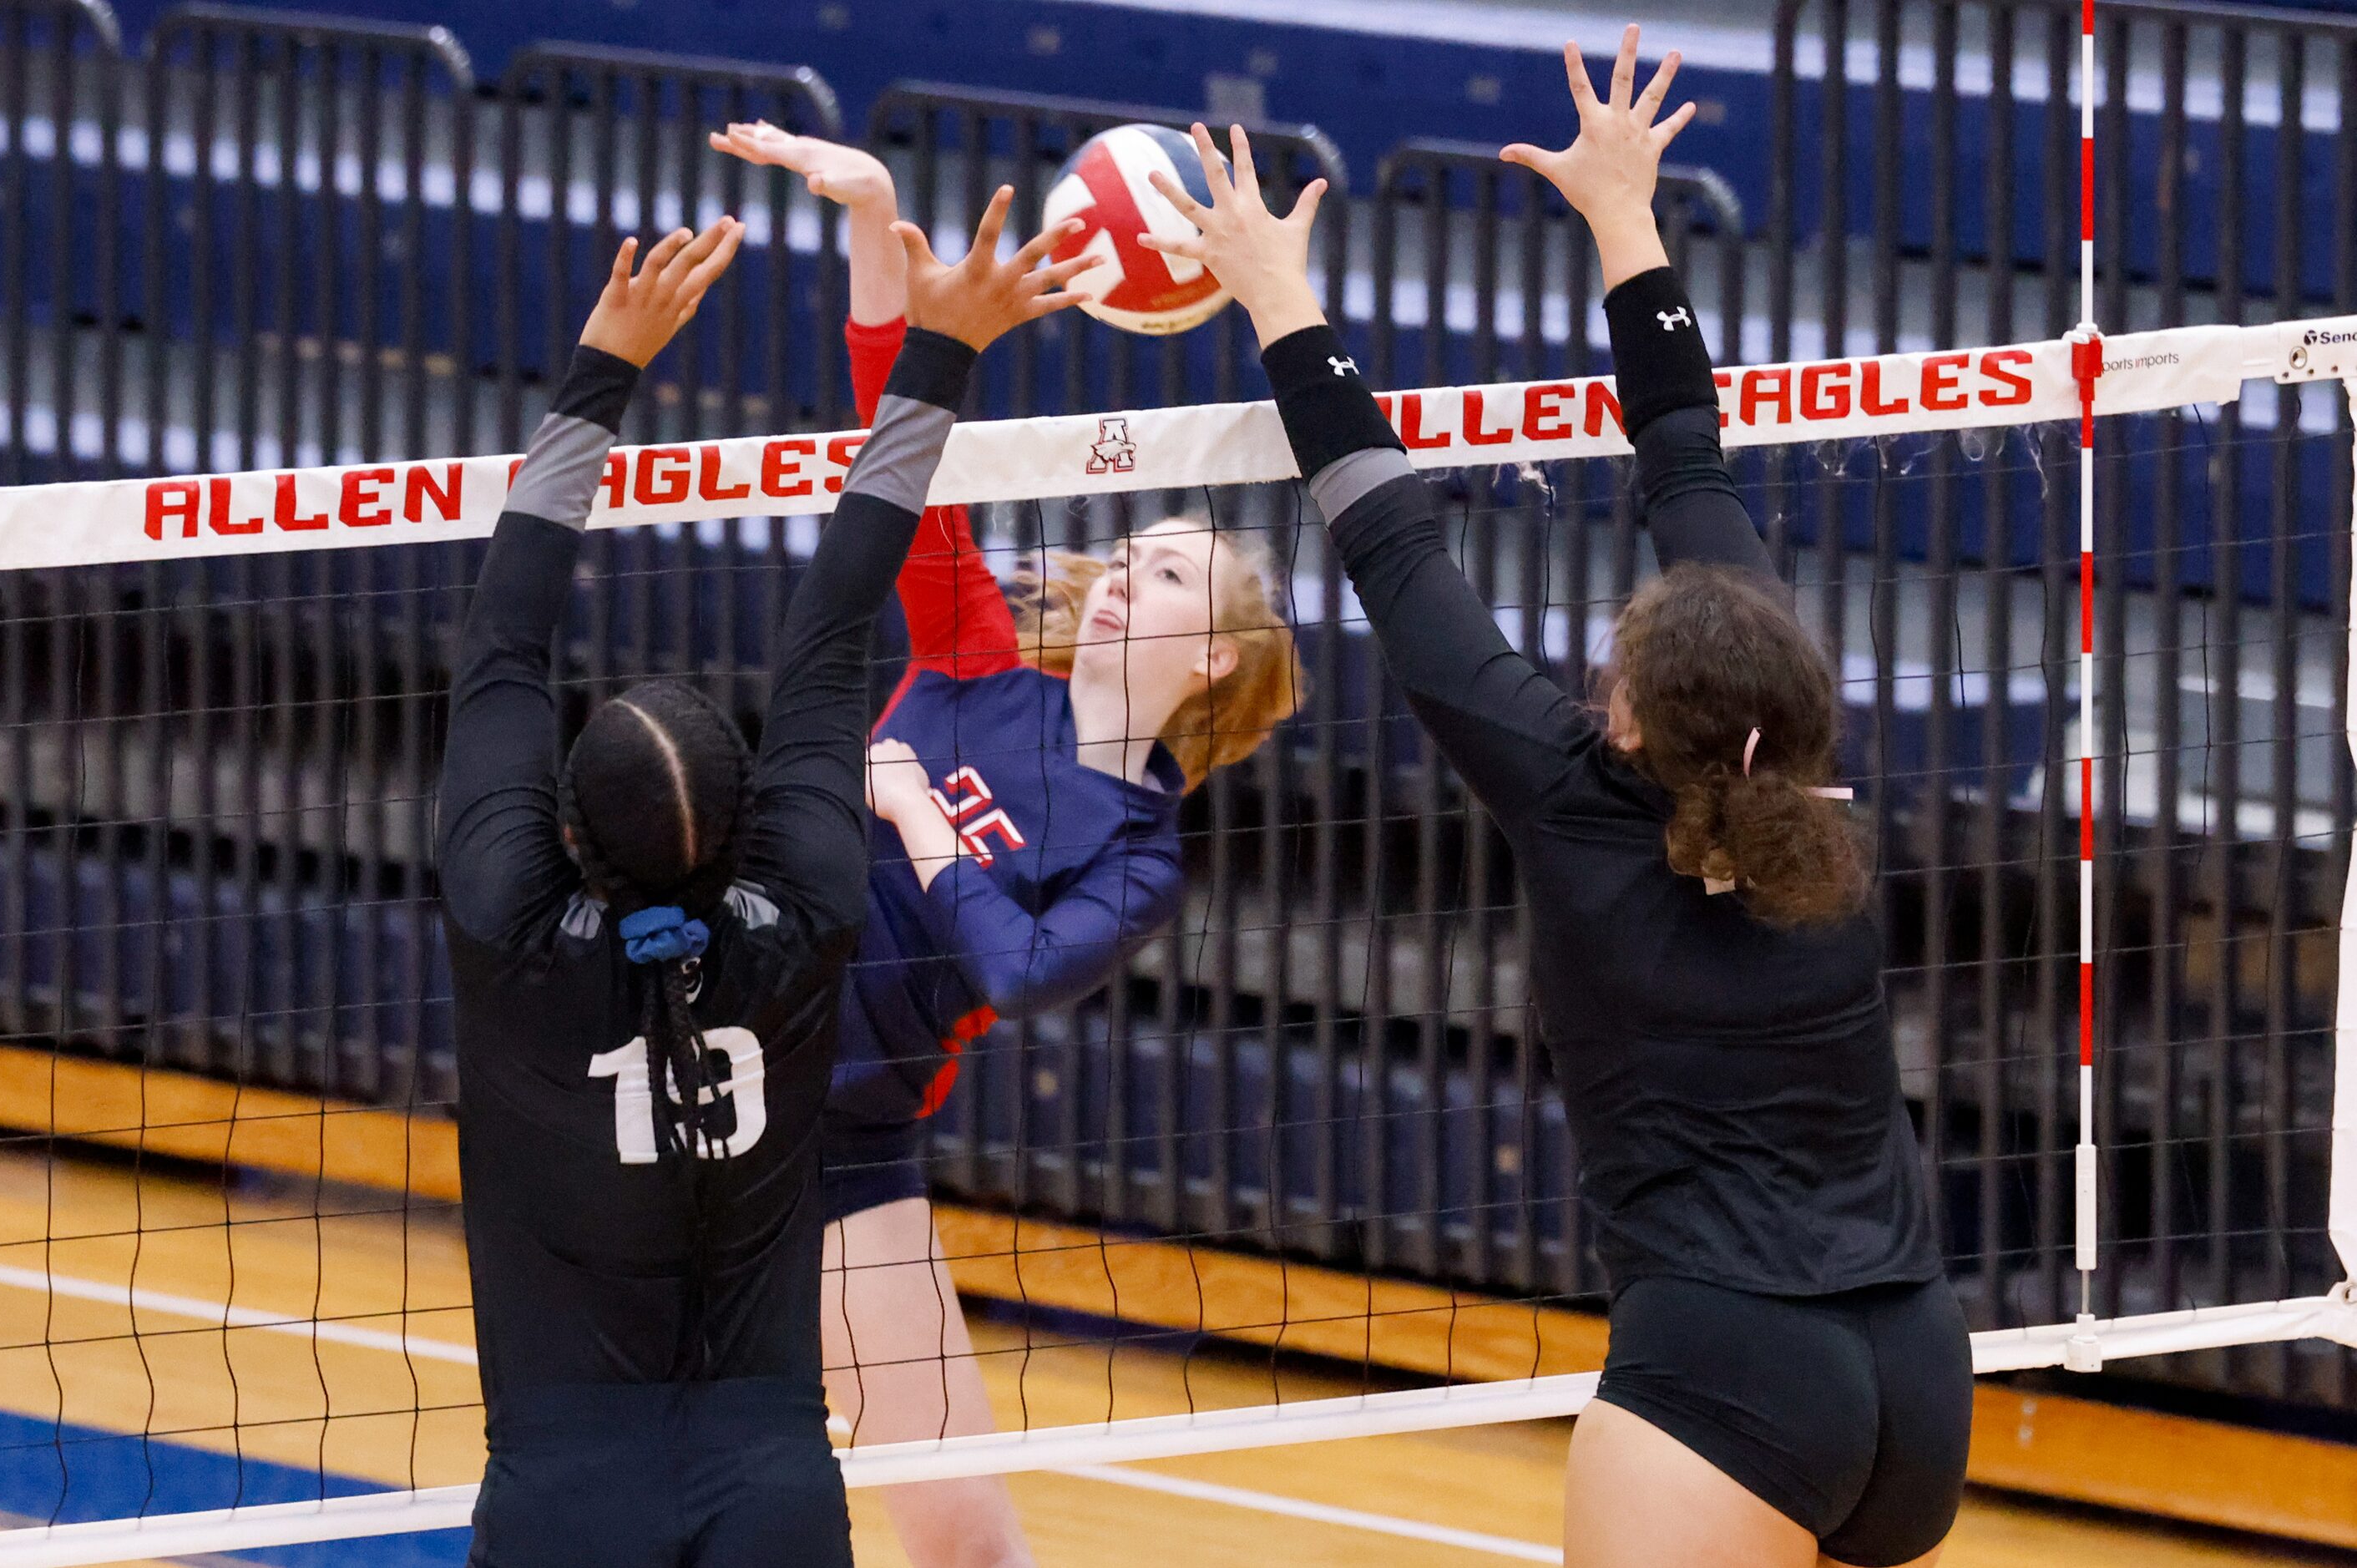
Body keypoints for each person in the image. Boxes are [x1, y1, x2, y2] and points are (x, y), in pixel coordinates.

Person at [1139, 29, 1970, 1568]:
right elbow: (1687, 464)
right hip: (1921, 1368)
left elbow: (1396, 545)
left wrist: (1276, 298)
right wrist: (1626, 220)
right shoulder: (1811, 793)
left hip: (1732, 1373)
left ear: (1635, 717)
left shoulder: (1579, 802)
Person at [438, 194, 1090, 1568]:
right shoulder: (804, 916)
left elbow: (502, 645)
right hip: (773, 1500)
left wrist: (603, 366)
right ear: (750, 816)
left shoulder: (510, 926)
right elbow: (833, 626)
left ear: (565, 824)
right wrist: (940, 356)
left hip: (568, 1503)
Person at [711, 120, 1307, 1568]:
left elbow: (1019, 965)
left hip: (845, 1127)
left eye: (1163, 570)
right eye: (1130, 551)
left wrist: (913, 809)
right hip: (705, 1054)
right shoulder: (980, 651)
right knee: (662, 1476)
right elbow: (892, 441)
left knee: (966, 1539)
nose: (1119, 576)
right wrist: (872, 226)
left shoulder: (1141, 859)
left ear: (1215, 660)